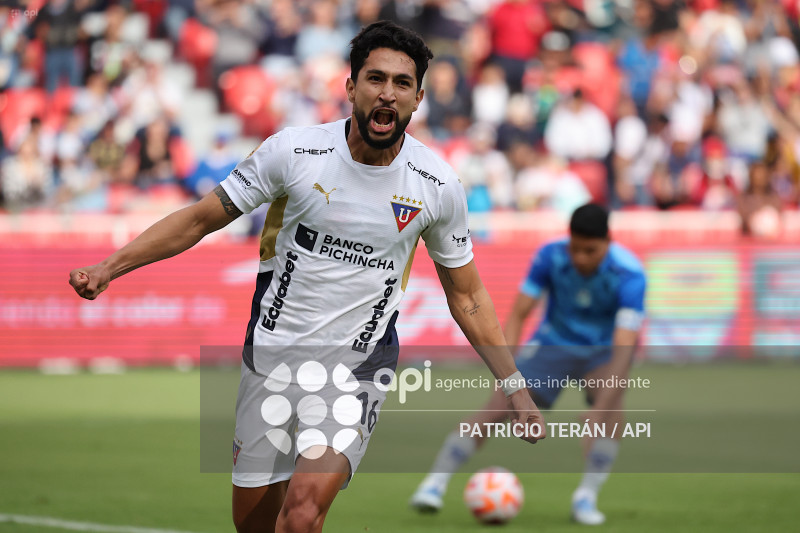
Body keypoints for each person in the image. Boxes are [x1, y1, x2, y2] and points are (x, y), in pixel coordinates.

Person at [68, 21, 545, 533]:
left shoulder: (437, 185)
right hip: (271, 357)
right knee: (255, 524)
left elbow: (467, 295)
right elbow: (200, 219)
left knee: (301, 514)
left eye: (402, 83)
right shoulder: (293, 152)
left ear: (418, 98)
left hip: (357, 369)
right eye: (376, 79)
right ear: (351, 87)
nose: (387, 93)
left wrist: (514, 386)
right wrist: (110, 267)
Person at [410, 203, 646, 526]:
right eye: (576, 248)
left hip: (601, 354)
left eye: (590, 251)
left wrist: (599, 409)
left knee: (611, 413)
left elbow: (624, 348)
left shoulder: (630, 274)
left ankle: (586, 497)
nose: (580, 258)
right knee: (496, 407)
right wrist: (507, 372)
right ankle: (434, 483)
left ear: (608, 241)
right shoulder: (550, 255)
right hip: (552, 345)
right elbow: (520, 313)